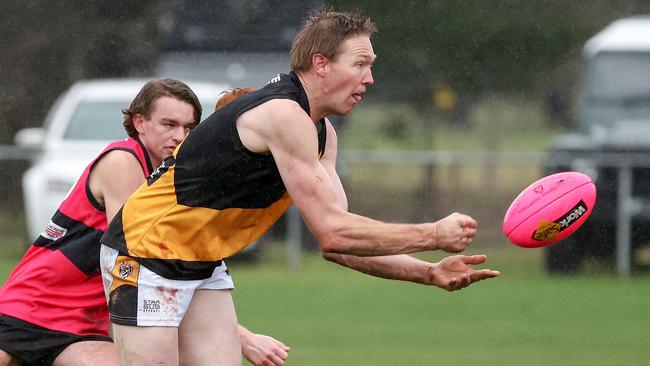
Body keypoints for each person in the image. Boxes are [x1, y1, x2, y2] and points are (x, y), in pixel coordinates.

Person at [100, 9, 500, 366]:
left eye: (371, 65)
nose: (370, 78)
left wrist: (429, 273)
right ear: (320, 64)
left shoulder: (322, 132)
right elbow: (334, 233)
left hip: (202, 261)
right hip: (145, 253)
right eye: (360, 64)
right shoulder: (283, 114)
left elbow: (342, 242)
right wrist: (432, 234)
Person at [0, 79, 289, 366]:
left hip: (85, 325)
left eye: (189, 128)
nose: (179, 136)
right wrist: (244, 338)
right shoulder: (123, 162)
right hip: (31, 308)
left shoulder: (174, 181)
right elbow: (143, 262)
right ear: (139, 122)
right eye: (169, 124)